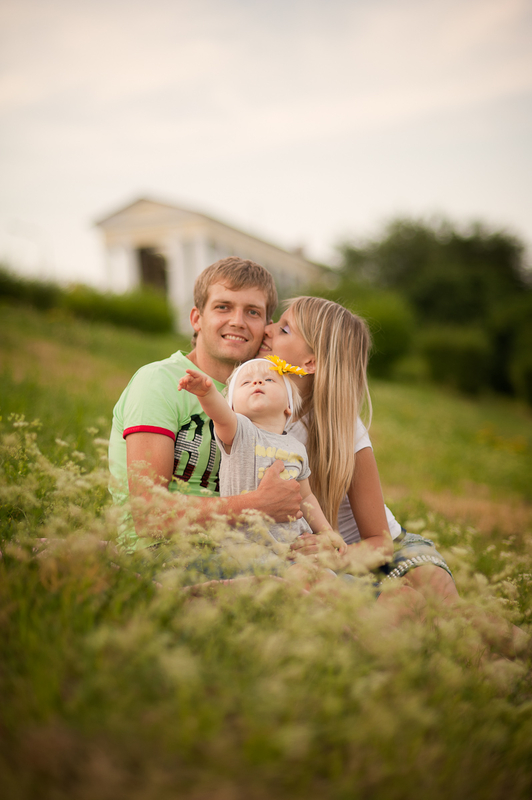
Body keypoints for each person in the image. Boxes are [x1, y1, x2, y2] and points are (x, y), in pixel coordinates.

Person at [259, 296, 459, 602]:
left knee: (448, 605)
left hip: (382, 552)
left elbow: (381, 542)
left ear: (310, 362)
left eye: (284, 329)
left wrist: (334, 557)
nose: (268, 329)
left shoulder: (342, 429)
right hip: (324, 569)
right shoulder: (251, 408)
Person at [108, 257, 304, 551]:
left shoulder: (261, 395)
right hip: (161, 552)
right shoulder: (159, 381)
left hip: (240, 550)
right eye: (223, 307)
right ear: (196, 318)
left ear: (266, 327)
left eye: (252, 312)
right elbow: (149, 515)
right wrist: (257, 505)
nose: (237, 321)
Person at [178, 356, 347, 553]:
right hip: (245, 547)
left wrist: (327, 532)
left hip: (294, 546)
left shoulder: (297, 447)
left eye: (269, 379)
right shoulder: (239, 430)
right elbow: (220, 415)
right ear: (232, 407)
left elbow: (306, 496)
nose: (257, 382)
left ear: (288, 404)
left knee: (322, 569)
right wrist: (207, 394)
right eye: (246, 382)